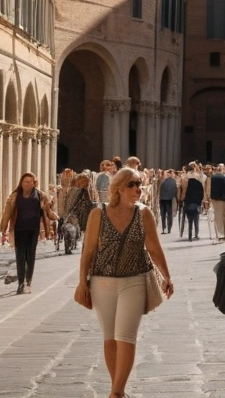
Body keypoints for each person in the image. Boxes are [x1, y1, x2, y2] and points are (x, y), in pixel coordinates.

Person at [74, 167, 173, 398]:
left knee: (126, 337)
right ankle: (117, 388)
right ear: (119, 188)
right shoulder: (98, 214)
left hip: (134, 280)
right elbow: (88, 251)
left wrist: (167, 276)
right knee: (110, 338)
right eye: (132, 184)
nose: (138, 189)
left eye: (139, 184)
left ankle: (116, 393)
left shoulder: (144, 213)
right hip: (102, 281)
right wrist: (82, 282)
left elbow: (154, 249)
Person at [1, 172, 58, 293]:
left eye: (30, 182)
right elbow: (7, 213)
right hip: (19, 230)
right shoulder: (15, 196)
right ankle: (20, 284)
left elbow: (47, 211)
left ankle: (28, 282)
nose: (28, 184)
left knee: (30, 256)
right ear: (21, 183)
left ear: (34, 183)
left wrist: (54, 218)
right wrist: (3, 228)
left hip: (33, 230)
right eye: (25, 182)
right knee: (20, 256)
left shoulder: (40, 195)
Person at [63, 173, 95, 254]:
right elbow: (89, 203)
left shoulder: (70, 190)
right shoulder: (83, 190)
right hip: (79, 213)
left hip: (69, 213)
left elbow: (66, 202)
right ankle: (79, 245)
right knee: (80, 229)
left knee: (71, 228)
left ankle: (69, 245)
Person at [182, 162, 206, 241]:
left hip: (188, 202)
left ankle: (189, 235)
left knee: (190, 220)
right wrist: (200, 201)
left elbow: (184, 192)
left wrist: (183, 200)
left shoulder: (186, 181)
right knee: (196, 219)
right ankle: (196, 234)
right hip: (196, 203)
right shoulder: (199, 182)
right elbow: (201, 193)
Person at [158, 169, 178, 234]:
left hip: (163, 200)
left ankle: (164, 228)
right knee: (169, 215)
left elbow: (159, 190)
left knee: (163, 215)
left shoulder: (162, 181)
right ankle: (169, 229)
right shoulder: (173, 181)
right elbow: (175, 192)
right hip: (170, 200)